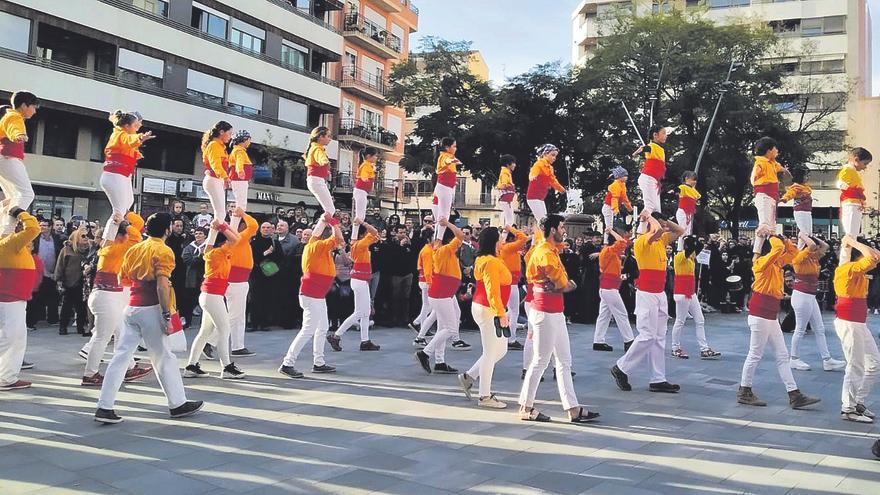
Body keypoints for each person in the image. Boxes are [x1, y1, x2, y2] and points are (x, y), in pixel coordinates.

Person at [95, 212, 203, 423]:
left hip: (132, 307)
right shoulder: (163, 250)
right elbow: (162, 285)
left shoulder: (135, 249)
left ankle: (104, 405)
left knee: (121, 356)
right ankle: (178, 404)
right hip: (151, 308)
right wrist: (165, 314)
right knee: (164, 357)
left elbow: (122, 278)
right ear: (167, 229)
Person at [518, 214, 598, 424]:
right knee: (540, 360)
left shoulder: (545, 251)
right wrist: (568, 284)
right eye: (562, 227)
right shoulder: (545, 254)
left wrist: (563, 284)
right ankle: (526, 406)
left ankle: (572, 408)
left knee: (564, 360)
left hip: (553, 309)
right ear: (552, 230)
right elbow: (563, 284)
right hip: (545, 311)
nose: (564, 230)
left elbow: (559, 283)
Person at [736, 230, 820, 409]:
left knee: (782, 355)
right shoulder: (760, 263)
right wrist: (774, 236)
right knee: (755, 354)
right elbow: (778, 249)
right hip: (760, 314)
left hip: (769, 314)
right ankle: (744, 391)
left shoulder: (775, 264)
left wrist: (786, 240)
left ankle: (794, 394)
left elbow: (793, 254)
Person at [611, 212, 683, 393]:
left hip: (659, 293)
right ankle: (621, 367)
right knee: (647, 335)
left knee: (659, 338)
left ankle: (658, 379)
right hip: (646, 294)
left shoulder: (661, 241)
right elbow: (657, 230)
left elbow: (680, 230)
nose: (664, 228)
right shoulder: (642, 241)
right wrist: (648, 217)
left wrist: (665, 221)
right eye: (660, 225)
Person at [81, 212, 153, 386]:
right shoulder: (118, 247)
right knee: (102, 337)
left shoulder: (108, 246)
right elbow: (136, 236)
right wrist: (124, 222)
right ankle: (90, 374)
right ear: (124, 233)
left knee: (121, 334)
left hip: (106, 296)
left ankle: (128, 368)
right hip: (108, 298)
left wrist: (121, 223)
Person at [279, 217, 343, 378]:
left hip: (316, 295)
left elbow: (320, 234)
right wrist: (334, 223)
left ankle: (319, 362)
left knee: (322, 328)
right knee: (308, 330)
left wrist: (324, 219)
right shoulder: (319, 246)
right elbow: (339, 239)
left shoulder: (313, 244)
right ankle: (288, 363)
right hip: (312, 295)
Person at [458, 226, 513, 408]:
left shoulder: (488, 259)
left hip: (487, 307)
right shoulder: (489, 261)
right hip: (488, 308)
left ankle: (469, 377)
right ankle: (484, 396)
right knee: (490, 352)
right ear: (494, 241)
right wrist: (501, 313)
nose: (503, 240)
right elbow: (492, 291)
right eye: (500, 237)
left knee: (501, 350)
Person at [185, 216, 245, 380]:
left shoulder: (212, 252)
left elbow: (229, 240)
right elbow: (236, 239)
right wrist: (222, 226)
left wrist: (215, 228)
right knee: (224, 330)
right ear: (222, 243)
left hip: (210, 295)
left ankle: (191, 365)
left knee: (205, 332)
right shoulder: (218, 253)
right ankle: (226, 367)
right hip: (212, 296)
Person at [834, 235, 880, 423]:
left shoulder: (854, 268)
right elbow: (872, 257)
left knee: (874, 363)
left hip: (857, 322)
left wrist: (852, 242)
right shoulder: (848, 269)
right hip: (850, 323)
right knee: (856, 366)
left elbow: (875, 255)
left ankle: (858, 401)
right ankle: (848, 408)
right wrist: (852, 242)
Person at [416, 219, 467, 374]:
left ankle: (439, 361)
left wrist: (442, 225)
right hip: (442, 293)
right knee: (451, 328)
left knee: (444, 327)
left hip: (444, 292)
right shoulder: (444, 250)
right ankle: (425, 353)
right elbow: (461, 236)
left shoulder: (442, 250)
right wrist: (448, 224)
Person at [789, 234, 845, 372]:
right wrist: (802, 234)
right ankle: (794, 359)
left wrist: (813, 236)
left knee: (819, 329)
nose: (816, 251)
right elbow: (813, 246)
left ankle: (827, 360)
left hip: (809, 296)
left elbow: (825, 246)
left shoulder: (812, 258)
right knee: (800, 329)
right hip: (802, 296)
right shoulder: (798, 259)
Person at [0, 207, 40, 390]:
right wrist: (20, 212)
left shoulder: (13, 245)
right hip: (10, 300)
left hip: (15, 299)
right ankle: (6, 377)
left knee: (16, 339)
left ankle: (8, 377)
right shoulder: (10, 243)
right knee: (9, 339)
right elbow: (34, 229)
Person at [100, 110, 154, 242]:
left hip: (121, 176)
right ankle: (107, 242)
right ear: (127, 126)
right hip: (114, 176)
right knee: (118, 212)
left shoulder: (124, 136)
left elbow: (129, 145)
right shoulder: (120, 134)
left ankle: (113, 237)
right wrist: (140, 138)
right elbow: (129, 140)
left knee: (127, 204)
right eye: (136, 125)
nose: (138, 127)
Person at [329, 219, 380, 351]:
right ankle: (336, 335)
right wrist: (363, 223)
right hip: (360, 279)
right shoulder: (362, 244)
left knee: (364, 312)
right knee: (360, 312)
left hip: (359, 279)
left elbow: (374, 235)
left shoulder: (356, 243)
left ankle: (365, 340)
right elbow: (374, 232)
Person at [670, 236, 721, 360]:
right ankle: (675, 347)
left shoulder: (690, 256)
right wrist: (687, 238)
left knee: (700, 320)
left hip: (690, 293)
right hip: (682, 293)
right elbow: (692, 248)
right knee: (680, 321)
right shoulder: (680, 257)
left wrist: (707, 240)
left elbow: (697, 247)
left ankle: (704, 348)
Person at [218, 209, 257, 358]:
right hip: (237, 281)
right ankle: (220, 343)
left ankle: (236, 345)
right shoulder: (239, 238)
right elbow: (253, 226)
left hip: (234, 280)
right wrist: (243, 214)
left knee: (233, 315)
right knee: (235, 316)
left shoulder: (228, 242)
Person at [0, 91, 39, 236]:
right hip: (8, 158)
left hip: (4, 158)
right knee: (27, 194)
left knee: (12, 198)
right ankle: (6, 231)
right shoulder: (15, 116)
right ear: (24, 105)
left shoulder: (9, 115)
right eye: (33, 107)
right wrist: (19, 135)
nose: (34, 111)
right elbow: (14, 129)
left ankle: (3, 228)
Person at [593, 227, 635, 352]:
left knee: (604, 315)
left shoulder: (610, 252)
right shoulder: (609, 251)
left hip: (608, 287)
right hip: (609, 288)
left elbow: (624, 242)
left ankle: (598, 341)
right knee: (621, 314)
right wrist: (611, 231)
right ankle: (629, 340)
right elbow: (622, 242)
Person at [750, 136, 789, 254]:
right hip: (764, 195)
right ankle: (756, 254)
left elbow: (780, 168)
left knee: (772, 227)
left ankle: (772, 253)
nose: (777, 151)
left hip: (771, 197)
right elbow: (753, 177)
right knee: (764, 225)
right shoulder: (760, 162)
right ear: (769, 150)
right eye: (775, 148)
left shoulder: (772, 163)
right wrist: (755, 183)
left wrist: (787, 171)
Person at [837, 147, 872, 262]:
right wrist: (852, 189)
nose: (865, 167)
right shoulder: (848, 169)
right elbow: (840, 183)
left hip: (855, 204)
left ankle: (846, 261)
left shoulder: (852, 171)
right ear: (856, 159)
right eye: (864, 163)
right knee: (850, 236)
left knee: (853, 235)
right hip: (851, 204)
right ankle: (844, 262)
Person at [201, 121, 234, 246]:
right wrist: (225, 177)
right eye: (229, 133)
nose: (230, 136)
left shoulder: (219, 146)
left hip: (216, 180)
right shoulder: (214, 145)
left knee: (220, 213)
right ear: (221, 132)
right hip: (213, 179)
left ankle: (210, 243)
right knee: (220, 213)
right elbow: (215, 164)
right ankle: (209, 244)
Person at [54, 226, 91, 336]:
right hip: (69, 281)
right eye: (83, 236)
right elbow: (60, 265)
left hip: (84, 282)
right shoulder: (67, 249)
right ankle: (63, 327)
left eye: (87, 236)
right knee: (67, 306)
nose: (86, 238)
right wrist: (59, 280)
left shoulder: (90, 249)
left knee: (81, 307)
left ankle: (80, 327)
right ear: (76, 237)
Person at [28, 219, 63, 329]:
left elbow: (59, 253)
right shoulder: (36, 239)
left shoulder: (57, 239)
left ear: (50, 227)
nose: (42, 227)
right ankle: (34, 319)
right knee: (36, 297)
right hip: (38, 272)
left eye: (45, 225)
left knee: (53, 296)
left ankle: (52, 319)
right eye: (41, 225)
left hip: (52, 272)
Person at [632, 125, 667, 234]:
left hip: (654, 181)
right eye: (664, 133)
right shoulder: (652, 146)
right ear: (655, 135)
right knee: (650, 206)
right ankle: (639, 232)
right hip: (648, 178)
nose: (666, 136)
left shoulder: (660, 149)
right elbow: (646, 148)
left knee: (657, 210)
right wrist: (638, 151)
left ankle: (650, 231)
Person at [250, 222, 284, 331]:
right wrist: (265, 253)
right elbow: (252, 258)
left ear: (272, 230)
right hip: (256, 274)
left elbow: (280, 258)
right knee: (255, 299)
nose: (265, 229)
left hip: (270, 275)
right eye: (263, 227)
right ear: (260, 229)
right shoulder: (254, 242)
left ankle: (265, 323)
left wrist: (271, 257)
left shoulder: (275, 242)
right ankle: (254, 323)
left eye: (268, 227)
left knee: (267, 298)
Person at [498, 226, 527, 350]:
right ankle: (511, 339)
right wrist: (511, 228)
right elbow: (524, 238)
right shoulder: (509, 247)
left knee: (510, 310)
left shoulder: (505, 247)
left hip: (509, 282)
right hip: (512, 283)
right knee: (514, 311)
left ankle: (503, 330)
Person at [386, 225, 416, 328]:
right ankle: (394, 318)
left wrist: (410, 245)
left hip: (408, 274)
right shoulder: (392, 243)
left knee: (406, 297)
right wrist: (399, 245)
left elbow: (413, 256)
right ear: (396, 233)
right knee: (395, 297)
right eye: (401, 232)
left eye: (404, 232)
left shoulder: (409, 244)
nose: (403, 235)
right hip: (396, 274)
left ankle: (405, 318)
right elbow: (391, 257)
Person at [305, 126, 337, 224]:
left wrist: (325, 170)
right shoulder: (317, 149)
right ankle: (316, 232)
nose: (330, 139)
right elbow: (321, 158)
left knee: (329, 210)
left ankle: (317, 232)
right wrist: (324, 162)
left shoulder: (315, 147)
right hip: (316, 181)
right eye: (328, 136)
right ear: (320, 137)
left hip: (316, 180)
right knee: (330, 210)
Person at [525, 144, 565, 223]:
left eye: (555, 156)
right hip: (533, 197)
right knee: (542, 220)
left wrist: (562, 190)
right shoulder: (539, 164)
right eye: (552, 155)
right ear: (545, 154)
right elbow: (533, 172)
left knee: (544, 220)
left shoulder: (550, 168)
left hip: (540, 198)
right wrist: (532, 176)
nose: (554, 158)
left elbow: (553, 181)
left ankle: (542, 235)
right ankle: (543, 235)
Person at [411, 229, 437, 348]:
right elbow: (427, 270)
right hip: (426, 281)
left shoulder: (429, 249)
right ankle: (421, 331)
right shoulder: (427, 251)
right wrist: (430, 283)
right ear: (428, 239)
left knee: (428, 306)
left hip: (426, 281)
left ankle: (417, 323)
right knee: (427, 306)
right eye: (433, 237)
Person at [433, 137, 461, 241]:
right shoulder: (445, 156)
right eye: (454, 146)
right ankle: (438, 240)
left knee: (441, 217)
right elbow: (447, 161)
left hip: (444, 187)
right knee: (444, 217)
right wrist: (452, 160)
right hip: (444, 188)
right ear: (447, 147)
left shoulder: (446, 155)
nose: (456, 148)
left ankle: (437, 239)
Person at [179, 228, 206, 329]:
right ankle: (187, 321)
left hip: (204, 278)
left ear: (205, 236)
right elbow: (187, 261)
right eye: (196, 233)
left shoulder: (209, 247)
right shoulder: (189, 248)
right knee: (189, 301)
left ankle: (204, 324)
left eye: (200, 233)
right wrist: (200, 256)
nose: (198, 235)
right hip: (192, 278)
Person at [780, 167, 812, 248]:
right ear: (800, 177)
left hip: (807, 212)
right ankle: (799, 250)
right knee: (804, 232)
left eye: (807, 176)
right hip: (800, 211)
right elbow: (790, 193)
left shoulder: (806, 187)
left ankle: (800, 250)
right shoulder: (796, 187)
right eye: (805, 176)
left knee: (809, 233)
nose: (807, 178)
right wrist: (785, 198)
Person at [227, 130, 252, 231]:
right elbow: (239, 162)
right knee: (241, 205)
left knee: (241, 205)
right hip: (239, 179)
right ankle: (233, 228)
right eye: (249, 140)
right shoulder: (239, 151)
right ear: (244, 140)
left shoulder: (237, 150)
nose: (250, 142)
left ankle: (233, 227)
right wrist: (240, 171)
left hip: (239, 180)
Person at [351, 147, 377, 242]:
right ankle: (353, 237)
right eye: (375, 156)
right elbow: (364, 175)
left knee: (360, 216)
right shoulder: (366, 165)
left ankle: (354, 237)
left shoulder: (368, 165)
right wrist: (365, 178)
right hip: (360, 191)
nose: (376, 158)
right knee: (359, 216)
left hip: (362, 191)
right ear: (369, 156)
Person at [602, 166, 632, 233]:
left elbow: (625, 198)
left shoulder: (622, 185)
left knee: (611, 227)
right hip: (609, 207)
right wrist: (616, 210)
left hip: (612, 208)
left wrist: (629, 208)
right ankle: (606, 241)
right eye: (625, 176)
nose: (626, 177)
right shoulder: (615, 185)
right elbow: (614, 199)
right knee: (609, 227)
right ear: (619, 177)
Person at [676, 171, 700, 251]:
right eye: (693, 179)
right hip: (683, 211)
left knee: (688, 231)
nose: (695, 182)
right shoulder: (683, 187)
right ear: (687, 178)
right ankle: (680, 249)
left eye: (696, 180)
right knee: (683, 231)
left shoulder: (693, 190)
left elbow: (698, 197)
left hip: (689, 213)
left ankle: (686, 248)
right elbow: (678, 190)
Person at [496, 154, 517, 227]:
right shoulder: (505, 173)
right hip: (506, 200)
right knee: (509, 221)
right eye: (513, 163)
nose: (515, 165)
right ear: (508, 164)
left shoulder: (507, 172)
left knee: (509, 220)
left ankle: (505, 236)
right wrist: (510, 186)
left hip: (507, 200)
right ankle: (504, 236)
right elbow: (503, 185)